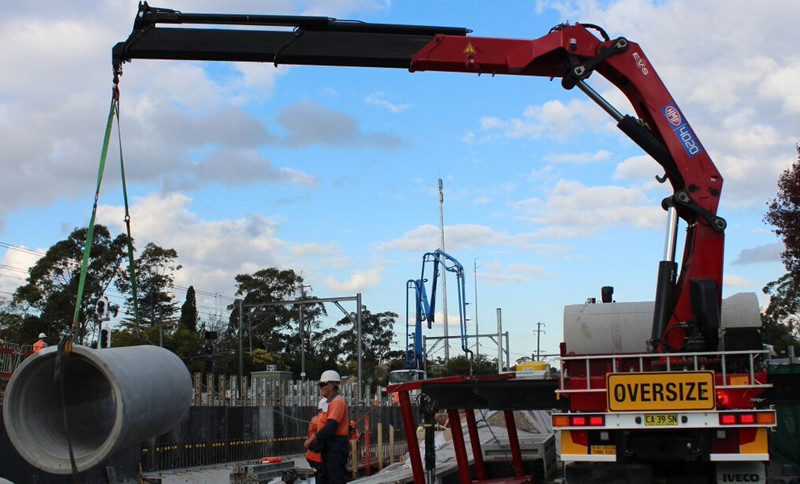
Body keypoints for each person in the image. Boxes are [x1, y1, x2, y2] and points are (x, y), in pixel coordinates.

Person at [303, 370, 349, 484]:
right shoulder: (327, 403)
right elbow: (323, 424)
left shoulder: (337, 402)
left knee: (335, 479)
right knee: (327, 479)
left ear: (331, 386)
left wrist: (313, 438)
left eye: (322, 385)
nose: (320, 388)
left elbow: (331, 426)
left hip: (336, 447)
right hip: (329, 447)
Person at [305, 397, 326, 478]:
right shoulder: (318, 419)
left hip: (313, 457)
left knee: (319, 475)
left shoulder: (316, 418)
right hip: (316, 457)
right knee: (320, 475)